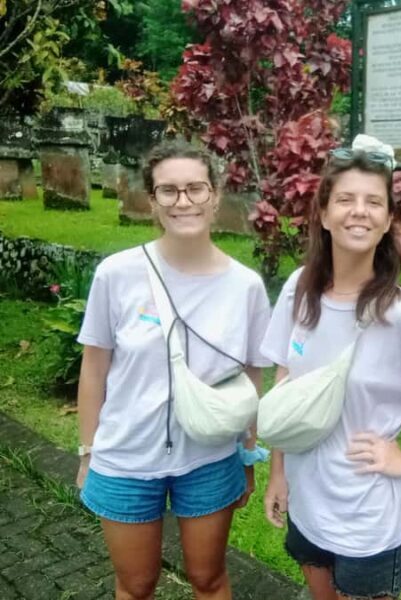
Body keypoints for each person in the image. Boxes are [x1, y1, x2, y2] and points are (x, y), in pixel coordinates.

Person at [261, 135, 401, 600]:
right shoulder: (298, 290)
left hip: (366, 515)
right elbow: (286, 381)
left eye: (373, 202)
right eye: (345, 199)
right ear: (324, 215)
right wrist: (278, 473)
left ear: (388, 221)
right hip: (307, 499)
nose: (358, 211)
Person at [76, 142, 272, 599]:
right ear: (152, 201)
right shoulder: (117, 274)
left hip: (209, 456)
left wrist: (248, 454)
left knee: (208, 578)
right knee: (136, 583)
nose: (183, 201)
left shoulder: (245, 286)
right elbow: (95, 368)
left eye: (195, 188)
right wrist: (89, 452)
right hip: (126, 456)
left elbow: (251, 377)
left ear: (216, 194)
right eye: (168, 191)